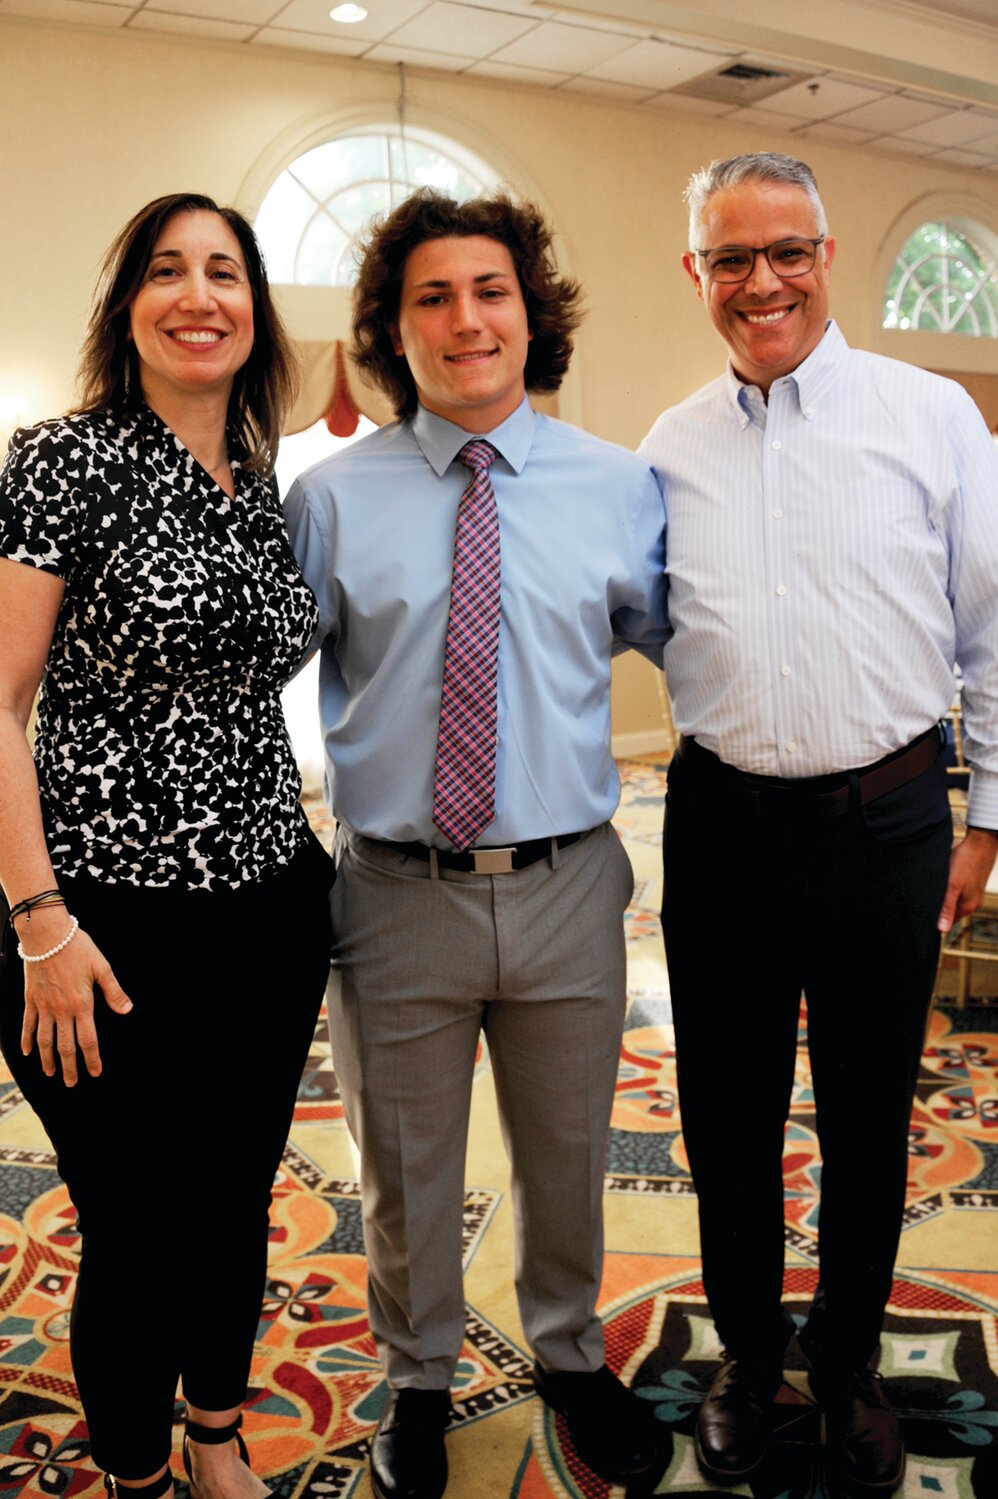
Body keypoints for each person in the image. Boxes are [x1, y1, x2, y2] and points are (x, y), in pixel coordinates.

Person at [284, 188, 667, 1499]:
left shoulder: (621, 487)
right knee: (404, 1168)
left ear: (528, 309)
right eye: (431, 297)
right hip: (394, 892)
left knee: (569, 1152)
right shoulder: (329, 500)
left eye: (488, 290)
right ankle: (419, 1377)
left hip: (568, 881)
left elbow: (691, 652)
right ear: (395, 330)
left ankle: (568, 1355)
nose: (465, 320)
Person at [639, 152, 998, 1496]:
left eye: (784, 250)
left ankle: (843, 1365)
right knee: (725, 1118)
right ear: (697, 275)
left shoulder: (929, 416)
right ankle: (744, 1356)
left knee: (862, 1118)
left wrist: (987, 819)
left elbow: (990, 629)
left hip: (887, 824)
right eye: (730, 258)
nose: (761, 281)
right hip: (719, 829)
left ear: (826, 254)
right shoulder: (668, 444)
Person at [0, 194, 333, 1499]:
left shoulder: (260, 482)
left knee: (231, 1196)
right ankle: (136, 1469)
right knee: (136, 1227)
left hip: (266, 904)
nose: (200, 295)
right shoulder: (63, 458)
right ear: (125, 304)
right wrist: (39, 922)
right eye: (166, 271)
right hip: (97, 923)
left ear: (256, 310)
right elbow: (1, 697)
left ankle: (211, 1431)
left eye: (226, 273)